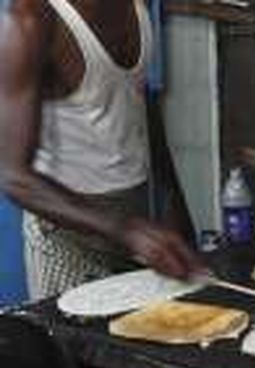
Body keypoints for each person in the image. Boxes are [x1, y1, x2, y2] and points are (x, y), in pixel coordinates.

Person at [0, 0, 203, 300]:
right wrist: (126, 230)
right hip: (67, 239)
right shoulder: (31, 19)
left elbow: (137, 105)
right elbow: (12, 176)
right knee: (75, 344)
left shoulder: (136, 7)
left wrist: (174, 203)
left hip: (138, 228)